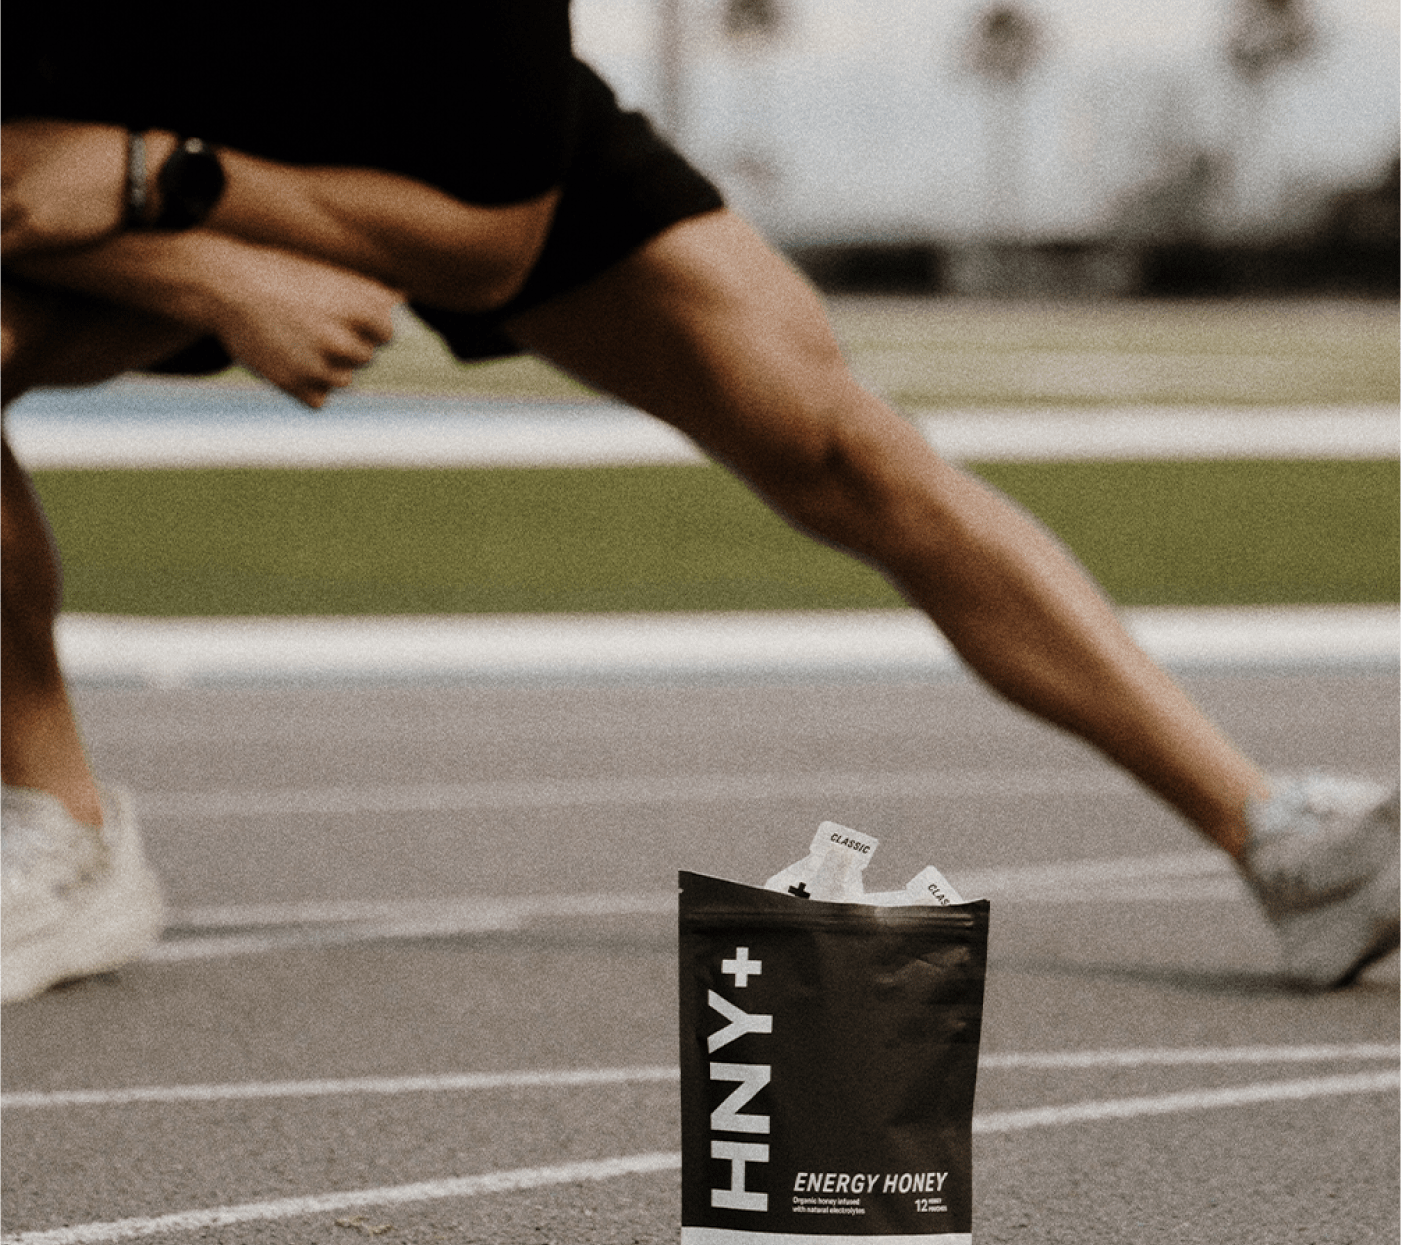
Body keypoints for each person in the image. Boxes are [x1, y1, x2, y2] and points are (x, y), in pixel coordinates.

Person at [1, 4, 1396, 1003]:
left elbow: (490, 248)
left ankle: (1283, 841)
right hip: (91, 187)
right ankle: (63, 825)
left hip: (375, 171)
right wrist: (208, 270)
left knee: (846, 447)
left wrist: (171, 177)